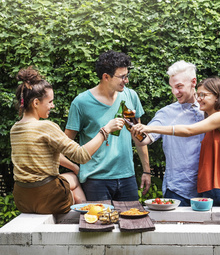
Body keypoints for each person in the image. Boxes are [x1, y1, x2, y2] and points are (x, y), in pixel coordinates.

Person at [10, 66, 123, 214]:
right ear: (36, 103)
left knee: (71, 174)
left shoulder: (15, 129)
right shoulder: (46, 127)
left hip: (22, 199)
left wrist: (74, 168)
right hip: (47, 199)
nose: (53, 105)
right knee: (74, 182)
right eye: (50, 102)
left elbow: (41, 158)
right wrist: (105, 130)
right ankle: (87, 214)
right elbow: (81, 156)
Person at [132, 76, 220, 207]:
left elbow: (189, 130)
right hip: (209, 189)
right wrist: (132, 125)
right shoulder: (206, 119)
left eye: (203, 95)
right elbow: (144, 140)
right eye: (198, 95)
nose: (199, 99)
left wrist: (149, 128)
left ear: (217, 96)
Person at [64, 50, 151, 201]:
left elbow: (139, 137)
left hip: (127, 177)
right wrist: (77, 168)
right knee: (98, 223)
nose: (127, 80)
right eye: (122, 77)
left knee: (131, 222)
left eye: (127, 76)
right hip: (95, 179)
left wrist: (147, 171)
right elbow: (65, 144)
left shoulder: (131, 96)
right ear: (106, 77)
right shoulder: (81, 103)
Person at [134, 60, 204, 206]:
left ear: (193, 82)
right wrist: (134, 128)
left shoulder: (209, 110)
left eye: (179, 86)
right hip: (178, 190)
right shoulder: (166, 113)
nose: (175, 92)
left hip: (209, 188)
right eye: (172, 87)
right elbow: (145, 139)